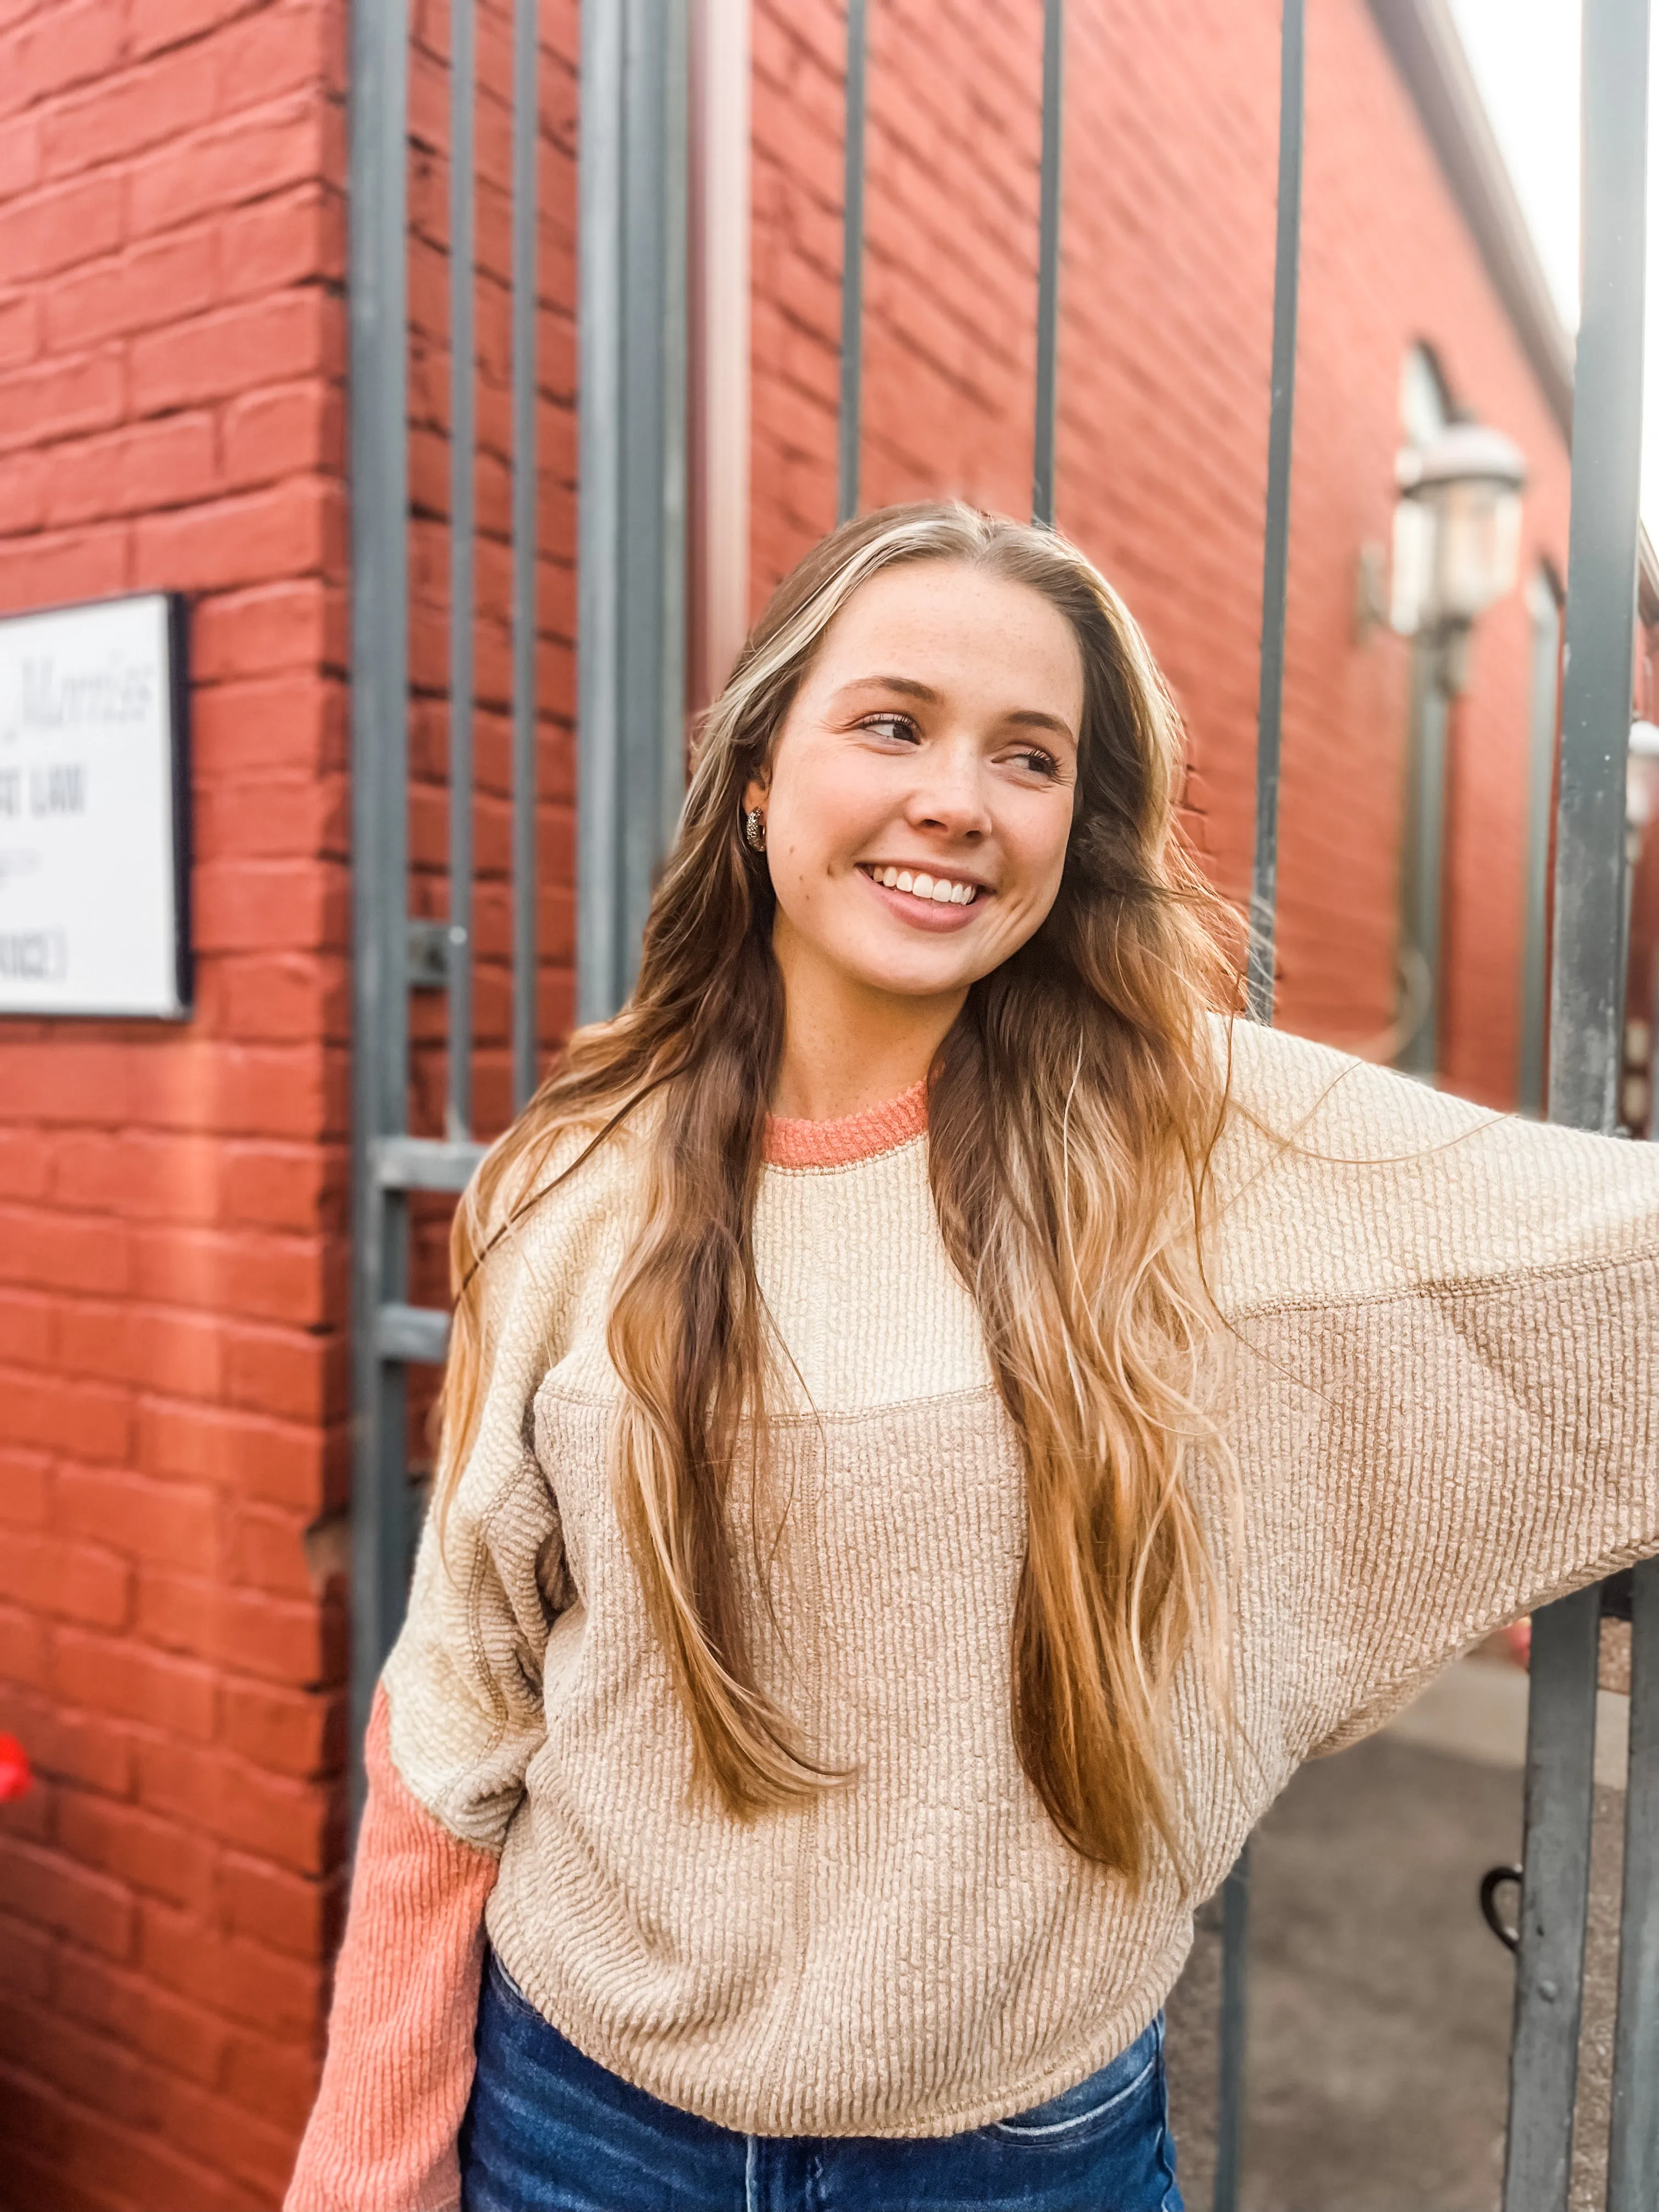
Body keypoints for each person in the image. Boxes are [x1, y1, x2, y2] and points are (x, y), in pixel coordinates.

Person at [286, 504, 1659, 2212]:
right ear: (760, 773)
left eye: (1030, 757)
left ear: (1076, 826)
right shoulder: (570, 1180)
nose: (956, 797)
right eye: (892, 723)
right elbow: (457, 1714)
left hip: (1019, 2160)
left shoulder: (1199, 1140)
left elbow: (1618, 1273)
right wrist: (368, 2174)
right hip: (581, 2126)